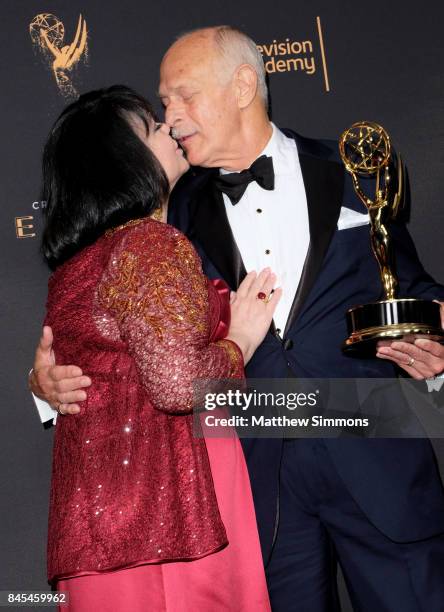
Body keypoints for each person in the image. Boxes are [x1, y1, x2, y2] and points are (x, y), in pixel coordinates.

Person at [31, 28, 444, 611]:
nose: (169, 115)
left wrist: (438, 337)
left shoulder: (354, 169)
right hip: (253, 487)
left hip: (374, 452)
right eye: (161, 103)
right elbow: (105, 326)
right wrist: (48, 386)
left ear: (243, 85)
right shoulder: (164, 212)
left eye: (181, 95)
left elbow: (412, 288)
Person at [38, 85, 279, 611]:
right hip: (175, 502)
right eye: (150, 127)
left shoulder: (74, 268)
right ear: (123, 162)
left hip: (98, 523)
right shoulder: (149, 242)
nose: (168, 128)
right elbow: (175, 384)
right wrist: (240, 339)